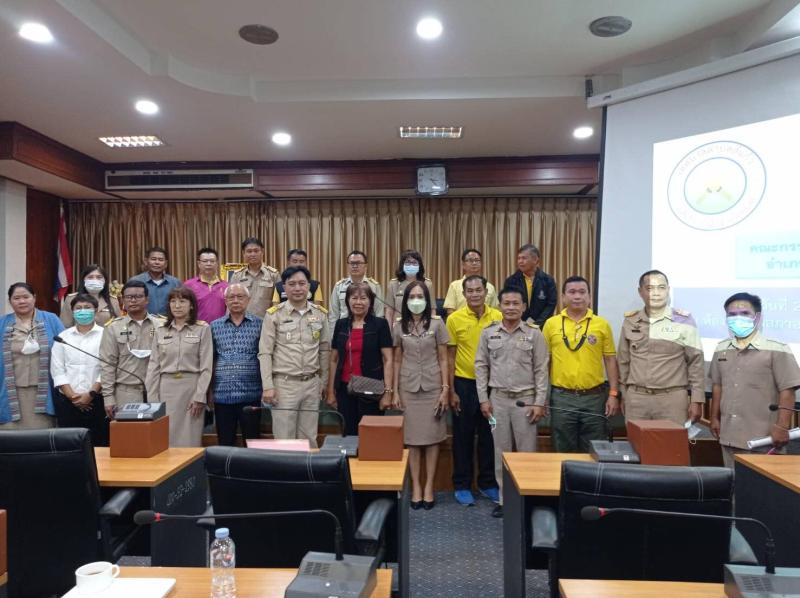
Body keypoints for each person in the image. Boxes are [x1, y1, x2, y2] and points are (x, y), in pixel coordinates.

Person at [475, 287, 549, 518]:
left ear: (524, 307)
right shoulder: (489, 333)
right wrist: (483, 399)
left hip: (525, 401)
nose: (511, 307)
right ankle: (505, 500)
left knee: (527, 454)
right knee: (501, 452)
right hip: (497, 401)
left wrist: (539, 402)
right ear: (499, 306)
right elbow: (481, 366)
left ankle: (527, 500)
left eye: (516, 303)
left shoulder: (534, 334)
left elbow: (541, 369)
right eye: (506, 303)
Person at [709, 293, 800, 469]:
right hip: (728, 436)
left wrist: (782, 427)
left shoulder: (778, 349)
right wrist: (714, 418)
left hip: (764, 439)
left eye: (745, 313)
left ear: (757, 317)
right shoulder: (721, 348)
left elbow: (787, 390)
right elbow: (717, 385)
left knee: (761, 486)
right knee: (732, 484)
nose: (738, 318)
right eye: (732, 314)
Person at [541, 276, 620, 452]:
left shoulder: (602, 324)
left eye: (582, 292)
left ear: (589, 297)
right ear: (563, 297)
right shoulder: (551, 324)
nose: (577, 296)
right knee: (562, 448)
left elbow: (610, 360)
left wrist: (613, 394)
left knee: (594, 449)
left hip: (594, 397)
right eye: (572, 292)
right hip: (561, 398)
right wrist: (543, 395)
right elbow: (544, 363)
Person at [617, 270, 704, 426]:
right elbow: (623, 361)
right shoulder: (630, 321)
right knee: (636, 441)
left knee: (671, 442)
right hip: (637, 398)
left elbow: (696, 362)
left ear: (668, 290)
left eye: (661, 287)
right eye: (650, 288)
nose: (656, 293)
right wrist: (624, 394)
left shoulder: (684, 320)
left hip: (672, 399)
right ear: (640, 292)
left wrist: (696, 400)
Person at [445, 275, 503, 507]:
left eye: (479, 290)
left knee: (490, 435)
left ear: (486, 292)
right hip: (464, 384)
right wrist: (451, 390)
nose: (475, 294)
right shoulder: (454, 319)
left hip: (492, 385)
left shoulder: (498, 316)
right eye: (470, 291)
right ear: (464, 294)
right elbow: (449, 357)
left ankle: (488, 483)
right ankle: (462, 485)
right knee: (463, 437)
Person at [392, 281, 449, 510]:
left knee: (433, 439)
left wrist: (445, 389)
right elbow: (396, 359)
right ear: (406, 300)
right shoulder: (399, 325)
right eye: (412, 296)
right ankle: (416, 486)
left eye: (420, 296)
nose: (416, 300)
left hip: (433, 387)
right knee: (413, 441)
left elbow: (444, 358)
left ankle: (429, 487)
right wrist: (394, 391)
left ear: (427, 299)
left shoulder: (437, 323)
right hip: (408, 387)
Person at [259, 266, 330, 447]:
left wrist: (323, 382)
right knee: (285, 440)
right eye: (292, 284)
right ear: (284, 287)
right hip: (284, 385)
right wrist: (268, 386)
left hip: (311, 384)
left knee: (310, 438)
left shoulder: (320, 314)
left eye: (301, 283)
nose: (297, 288)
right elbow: (265, 352)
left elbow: (324, 350)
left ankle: (308, 467)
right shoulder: (274, 315)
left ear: (309, 286)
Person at [145, 286, 213, 447]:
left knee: (190, 439)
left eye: (182, 301)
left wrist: (200, 396)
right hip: (166, 388)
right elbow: (153, 367)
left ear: (191, 305)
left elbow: (206, 366)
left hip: (191, 388)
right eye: (173, 301)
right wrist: (152, 399)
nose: (177, 306)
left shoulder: (202, 329)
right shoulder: (161, 330)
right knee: (164, 439)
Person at [327, 282, 394, 435]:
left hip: (372, 390)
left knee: (371, 436)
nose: (358, 302)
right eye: (354, 298)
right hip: (345, 390)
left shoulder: (380, 324)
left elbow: (388, 359)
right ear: (347, 301)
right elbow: (334, 359)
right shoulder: (341, 324)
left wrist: (388, 392)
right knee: (348, 434)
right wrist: (331, 391)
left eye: (363, 298)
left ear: (370, 302)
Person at [0, 283, 64, 428]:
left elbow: (65, 351)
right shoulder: (2, 324)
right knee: (10, 436)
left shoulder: (51, 319)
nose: (22, 301)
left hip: (44, 392)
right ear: (10, 301)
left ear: (34, 298)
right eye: (16, 298)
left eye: (26, 297)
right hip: (9, 392)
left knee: (41, 435)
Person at [100, 280, 165, 417]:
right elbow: (107, 364)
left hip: (159, 390)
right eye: (129, 297)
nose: (133, 300)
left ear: (147, 299)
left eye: (138, 296)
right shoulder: (113, 327)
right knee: (130, 430)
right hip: (126, 392)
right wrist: (108, 397)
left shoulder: (162, 325)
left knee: (160, 429)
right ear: (123, 300)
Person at [50, 293, 108, 445]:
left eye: (87, 307)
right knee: (69, 446)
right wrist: (73, 397)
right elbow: (57, 370)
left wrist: (90, 394)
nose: (83, 311)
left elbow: (107, 368)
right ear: (72, 311)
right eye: (79, 308)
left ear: (96, 310)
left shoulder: (106, 335)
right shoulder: (63, 337)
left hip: (98, 401)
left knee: (99, 445)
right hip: (68, 402)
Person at [210, 283, 263, 446]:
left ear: (248, 300)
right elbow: (210, 359)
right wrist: (209, 390)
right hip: (222, 395)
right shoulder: (214, 326)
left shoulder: (260, 324)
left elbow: (265, 357)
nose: (235, 300)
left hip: (251, 394)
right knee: (225, 443)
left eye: (240, 297)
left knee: (253, 443)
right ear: (225, 301)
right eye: (231, 297)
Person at [503, 244, 557, 327]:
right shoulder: (511, 281)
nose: (520, 261)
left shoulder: (548, 280)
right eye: (518, 258)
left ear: (535, 260)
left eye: (524, 258)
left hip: (542, 326)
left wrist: (537, 324)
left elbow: (551, 305)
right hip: (517, 326)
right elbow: (509, 304)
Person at [329, 250, 384, 327]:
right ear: (348, 265)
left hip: (368, 328)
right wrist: (334, 333)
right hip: (344, 329)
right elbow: (333, 315)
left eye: (358, 263)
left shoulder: (374, 286)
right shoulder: (339, 286)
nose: (355, 266)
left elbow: (379, 313)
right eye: (352, 263)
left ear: (365, 266)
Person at [230, 237, 280, 318]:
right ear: (244, 253)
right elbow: (230, 300)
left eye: (256, 251)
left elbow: (279, 303)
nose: (253, 254)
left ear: (262, 252)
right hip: (243, 322)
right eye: (249, 251)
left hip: (266, 321)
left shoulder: (273, 275)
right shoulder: (237, 276)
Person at [443, 248, 499, 314]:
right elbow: (450, 311)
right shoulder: (454, 285)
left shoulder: (490, 287)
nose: (474, 263)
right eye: (470, 260)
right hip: (461, 320)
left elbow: (495, 311)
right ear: (463, 265)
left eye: (477, 260)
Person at [385, 250, 435, 323]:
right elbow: (389, 311)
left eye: (414, 262)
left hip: (422, 326)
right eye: (408, 262)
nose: (411, 265)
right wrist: (389, 329)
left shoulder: (427, 284)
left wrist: (431, 327)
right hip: (398, 326)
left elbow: (432, 310)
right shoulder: (393, 284)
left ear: (419, 266)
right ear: (402, 265)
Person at [129, 246, 181, 316]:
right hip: (142, 321)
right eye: (153, 259)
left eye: (161, 260)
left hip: (168, 321)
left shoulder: (175, 283)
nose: (157, 262)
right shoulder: (134, 282)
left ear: (166, 264)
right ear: (146, 261)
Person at [184, 247, 228, 323]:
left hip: (221, 328)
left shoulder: (226, 286)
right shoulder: (188, 285)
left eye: (212, 261)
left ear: (217, 263)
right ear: (199, 264)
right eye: (205, 261)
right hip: (196, 328)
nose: (208, 264)